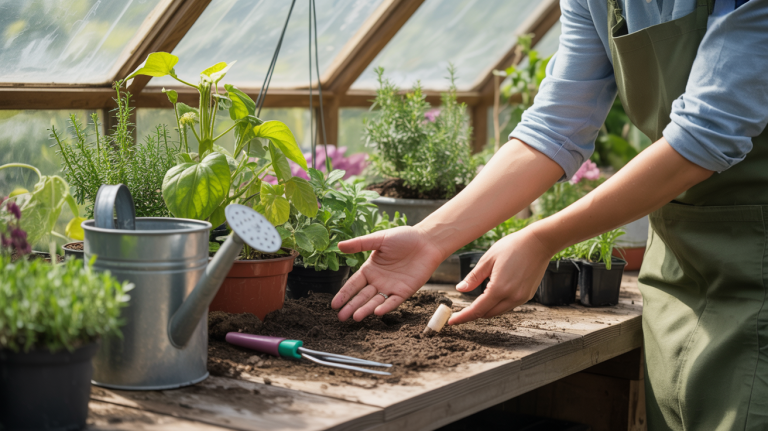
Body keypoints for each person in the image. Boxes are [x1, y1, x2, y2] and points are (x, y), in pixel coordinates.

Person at [331, 0, 767, 429]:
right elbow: (556, 124)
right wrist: (430, 238)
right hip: (678, 261)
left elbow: (707, 132)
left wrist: (543, 238)